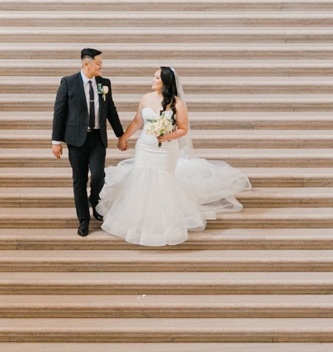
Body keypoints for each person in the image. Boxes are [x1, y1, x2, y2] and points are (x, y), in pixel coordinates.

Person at [98, 67, 250, 247]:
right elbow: (138, 121)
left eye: (156, 77)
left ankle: (163, 223)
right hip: (145, 147)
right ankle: (141, 220)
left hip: (165, 151)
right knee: (141, 179)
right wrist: (123, 138)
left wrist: (167, 135)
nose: (152, 80)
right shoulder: (146, 98)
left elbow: (183, 128)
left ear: (165, 82)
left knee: (162, 181)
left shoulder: (176, 103)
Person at [51, 48, 125, 236]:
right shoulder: (68, 83)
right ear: (86, 64)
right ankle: (83, 220)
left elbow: (111, 111)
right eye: (98, 63)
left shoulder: (104, 83)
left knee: (99, 175)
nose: (101, 66)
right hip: (76, 140)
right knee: (79, 180)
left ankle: (94, 199)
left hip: (97, 139)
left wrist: (120, 135)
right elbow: (59, 113)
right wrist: (56, 141)